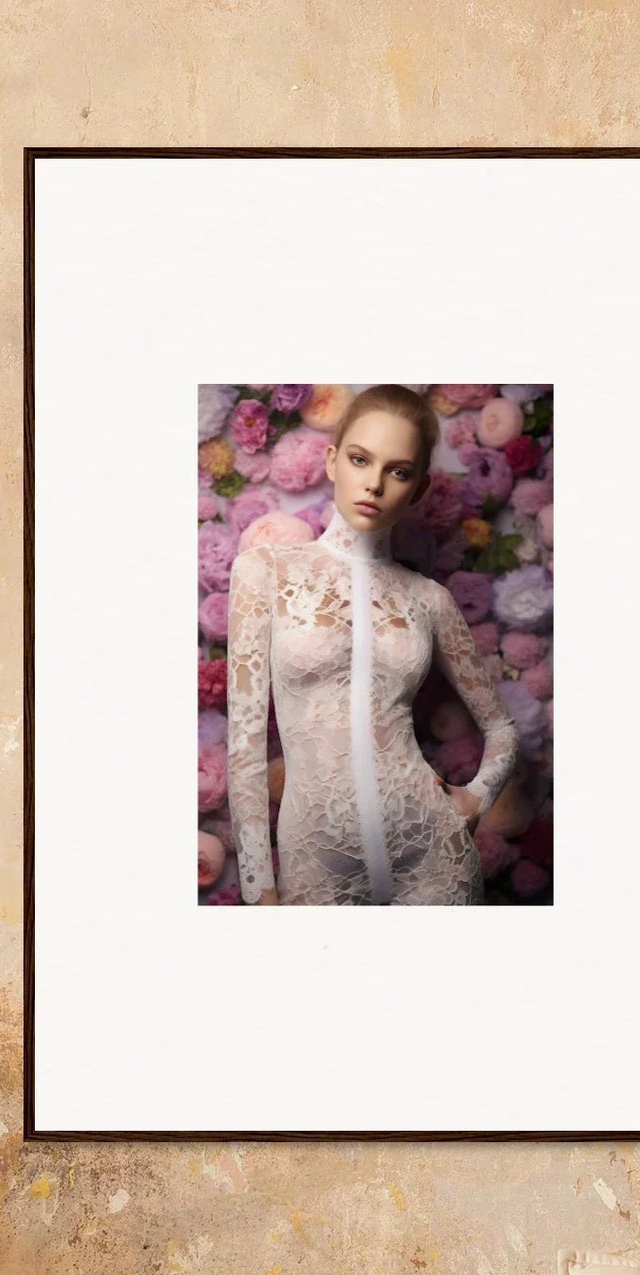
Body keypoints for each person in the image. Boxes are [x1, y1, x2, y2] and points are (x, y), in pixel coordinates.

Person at [225, 385, 518, 906]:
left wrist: (476, 798)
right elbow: (245, 749)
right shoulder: (265, 573)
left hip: (433, 852)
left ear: (420, 487)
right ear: (333, 460)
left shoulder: (431, 599)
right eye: (361, 460)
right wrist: (257, 890)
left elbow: (502, 727)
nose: (375, 484)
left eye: (398, 471)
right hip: (317, 860)